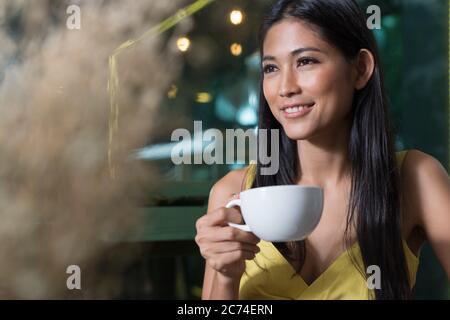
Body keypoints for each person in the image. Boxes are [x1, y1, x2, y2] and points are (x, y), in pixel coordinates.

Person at [195, 0, 450, 300]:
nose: (285, 87)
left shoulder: (415, 178)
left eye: (306, 61)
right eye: (271, 68)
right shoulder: (232, 194)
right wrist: (226, 275)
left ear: (361, 69)